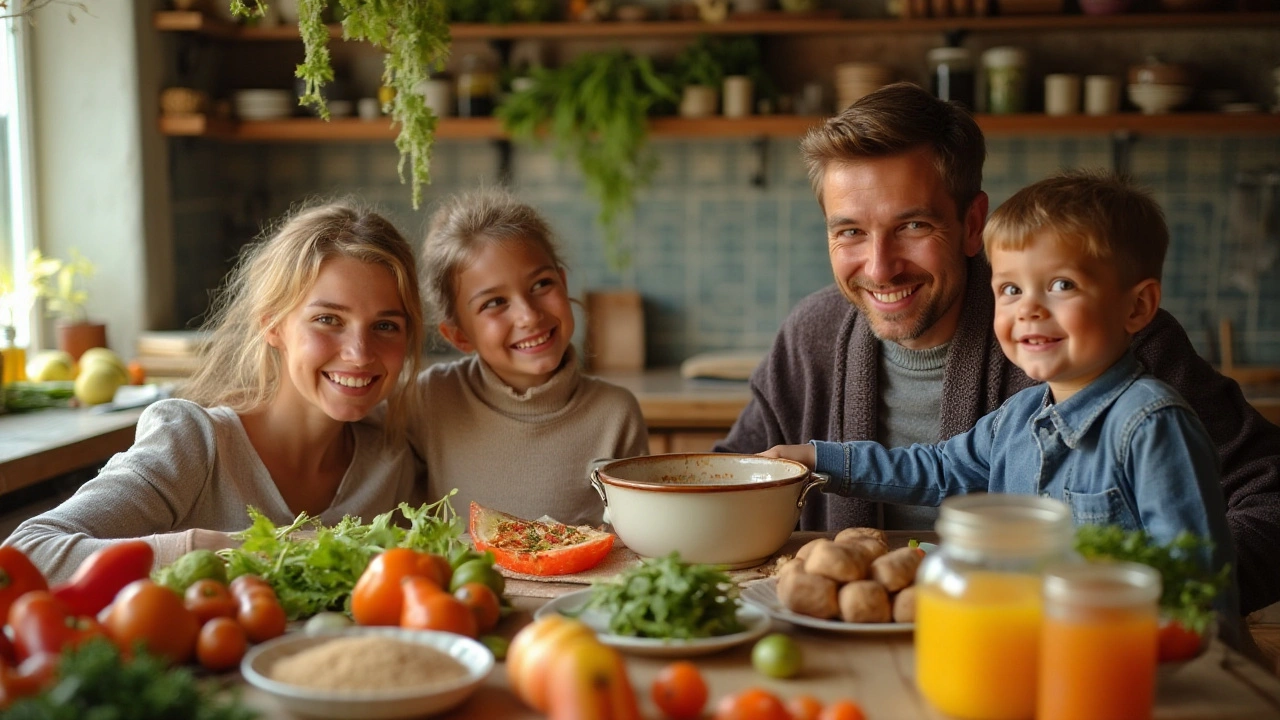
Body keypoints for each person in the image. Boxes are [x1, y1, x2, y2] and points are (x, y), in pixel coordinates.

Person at [714, 81, 1280, 617]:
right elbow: (732, 484)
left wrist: (1157, 601)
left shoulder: (1116, 346)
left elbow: (1269, 498)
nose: (880, 267)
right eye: (850, 232)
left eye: (912, 225)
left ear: (971, 225)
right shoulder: (811, 335)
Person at [762, 171, 1243, 648]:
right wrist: (817, 459)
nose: (1029, 309)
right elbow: (939, 469)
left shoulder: (1152, 424)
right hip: (1028, 649)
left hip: (1124, 663)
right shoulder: (1020, 415)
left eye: (1060, 285)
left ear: (1137, 307)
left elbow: (1198, 581)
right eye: (1011, 289)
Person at [5, 201, 426, 582]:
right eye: (328, 319)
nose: (359, 353)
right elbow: (25, 552)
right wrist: (219, 551)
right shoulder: (193, 444)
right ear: (272, 325)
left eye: (385, 325)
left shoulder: (389, 463)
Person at [413, 187, 647, 527]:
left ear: (564, 284)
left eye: (541, 285)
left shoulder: (616, 414)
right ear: (459, 335)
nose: (528, 315)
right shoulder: (430, 399)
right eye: (494, 303)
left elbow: (634, 541)